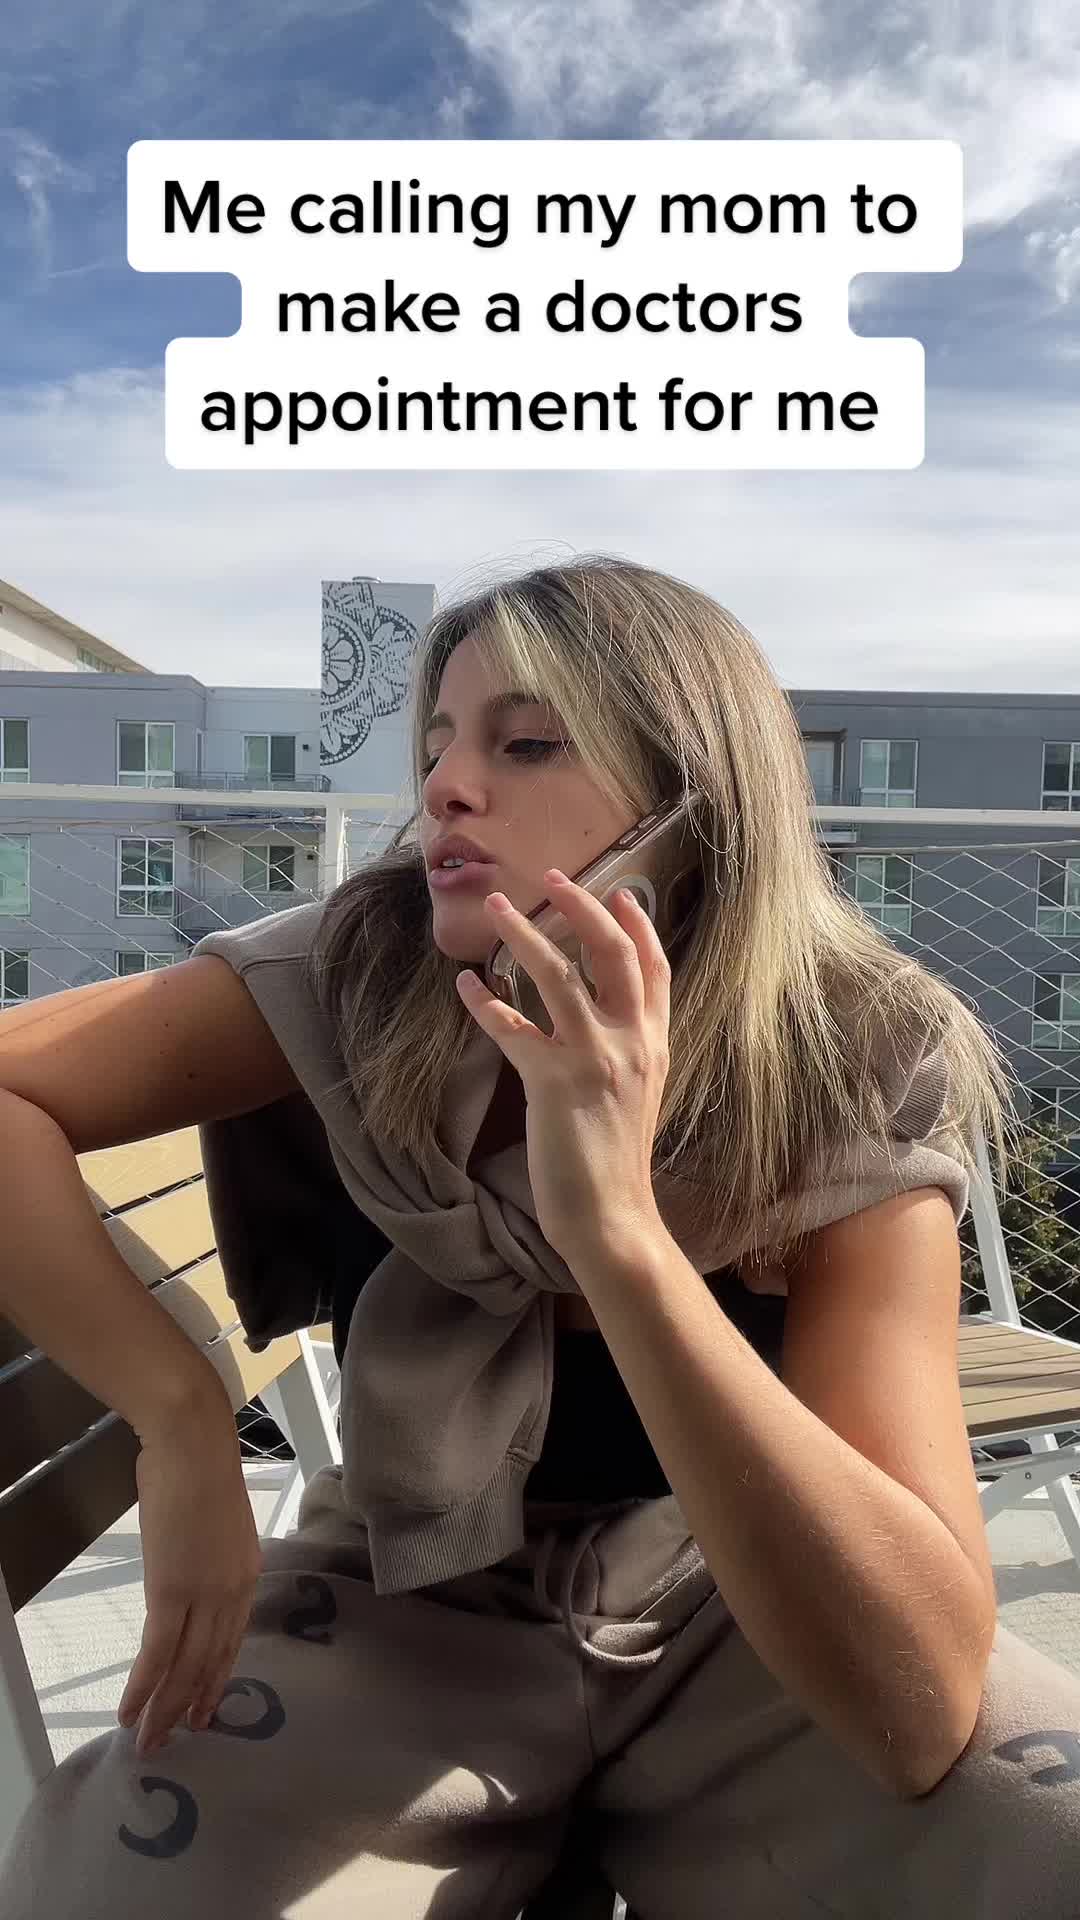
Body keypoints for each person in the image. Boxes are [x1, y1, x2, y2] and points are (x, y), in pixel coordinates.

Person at [2, 554, 1080, 1920]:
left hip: (729, 1593)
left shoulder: (850, 1055)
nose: (448, 787)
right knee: (122, 1883)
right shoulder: (362, 971)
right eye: (439, 744)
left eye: (525, 743)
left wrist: (619, 1233)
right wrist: (181, 1415)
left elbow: (920, 1705)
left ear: (694, 801)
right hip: (400, 1587)